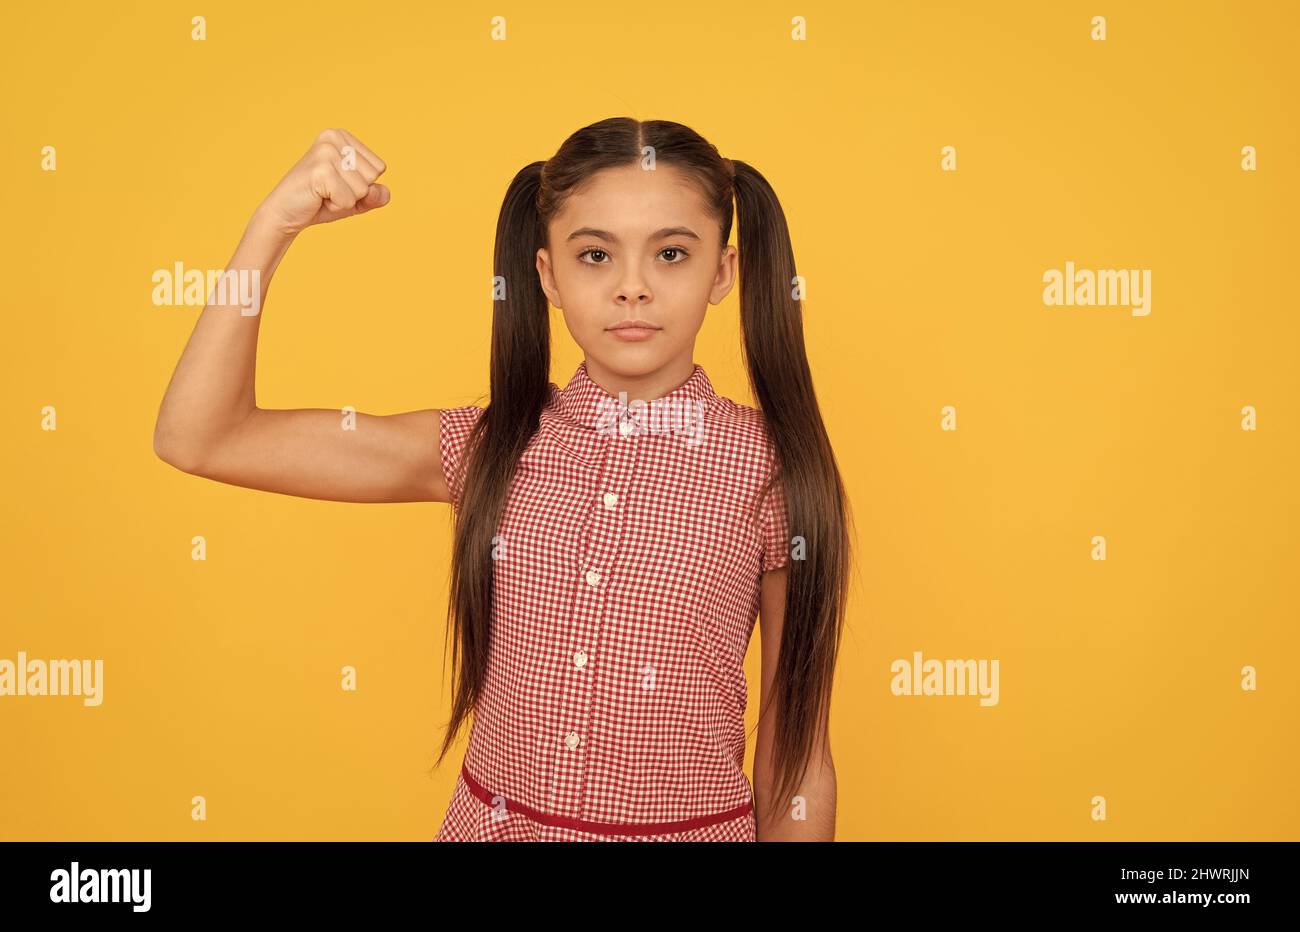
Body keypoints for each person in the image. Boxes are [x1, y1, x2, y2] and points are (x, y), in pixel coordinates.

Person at [153, 117, 851, 841]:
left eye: (671, 253)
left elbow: (795, 758)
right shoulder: (485, 447)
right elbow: (201, 437)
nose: (633, 289)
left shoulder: (772, 474)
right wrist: (274, 226)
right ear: (546, 275)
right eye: (594, 256)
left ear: (722, 273)